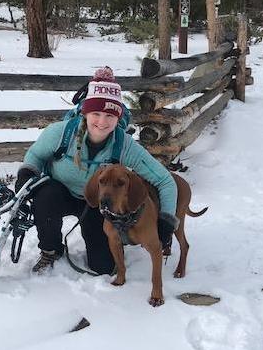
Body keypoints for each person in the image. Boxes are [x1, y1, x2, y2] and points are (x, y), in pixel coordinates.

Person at [15, 66, 178, 274]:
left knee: (103, 267)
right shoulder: (61, 133)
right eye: (96, 113)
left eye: (110, 116)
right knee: (45, 196)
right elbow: (35, 155)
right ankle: (50, 249)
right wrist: (26, 173)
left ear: (118, 118)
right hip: (60, 193)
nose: (102, 122)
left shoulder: (124, 145)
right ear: (85, 112)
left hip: (99, 204)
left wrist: (166, 220)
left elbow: (165, 181)